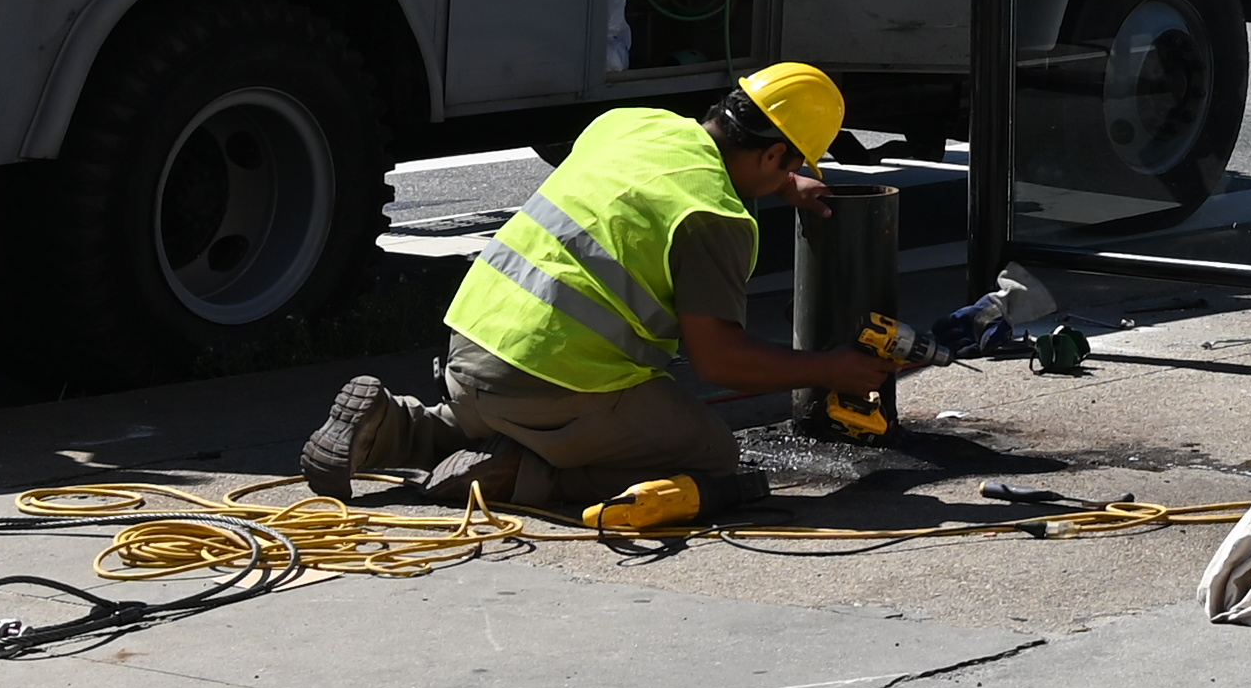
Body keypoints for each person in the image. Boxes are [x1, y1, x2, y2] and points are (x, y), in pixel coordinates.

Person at [301, 64, 897, 511]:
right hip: (552, 379)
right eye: (793, 165)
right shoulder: (713, 216)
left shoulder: (633, 124)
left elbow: (652, 189)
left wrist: (782, 185)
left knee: (505, 411)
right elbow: (720, 361)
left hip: (473, 347)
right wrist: (828, 369)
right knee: (711, 457)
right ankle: (519, 478)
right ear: (774, 153)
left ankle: (390, 426)